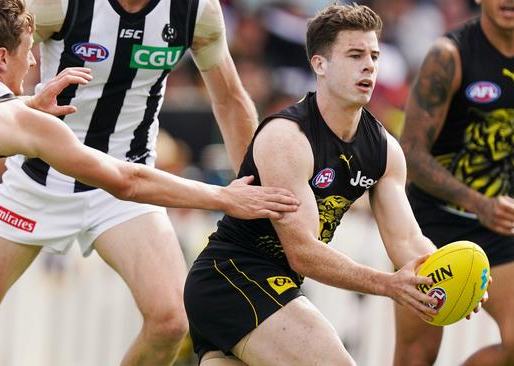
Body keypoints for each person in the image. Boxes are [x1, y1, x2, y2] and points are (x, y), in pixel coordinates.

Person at [0, 1, 300, 365]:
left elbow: (228, 97)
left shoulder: (195, 11)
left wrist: (253, 191)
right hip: (39, 181)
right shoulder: (59, 4)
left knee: (171, 319)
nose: (34, 62)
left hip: (127, 186)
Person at [183, 4, 443, 365]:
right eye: (355, 55)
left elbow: (408, 242)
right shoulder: (287, 137)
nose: (369, 65)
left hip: (273, 284)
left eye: (374, 55)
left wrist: (451, 274)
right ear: (319, 64)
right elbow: (301, 251)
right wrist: (388, 284)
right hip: (233, 278)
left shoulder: (385, 150)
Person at [395, 0, 514, 364]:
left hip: (498, 228)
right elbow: (411, 154)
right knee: (417, 356)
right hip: (429, 223)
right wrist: (479, 203)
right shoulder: (449, 56)